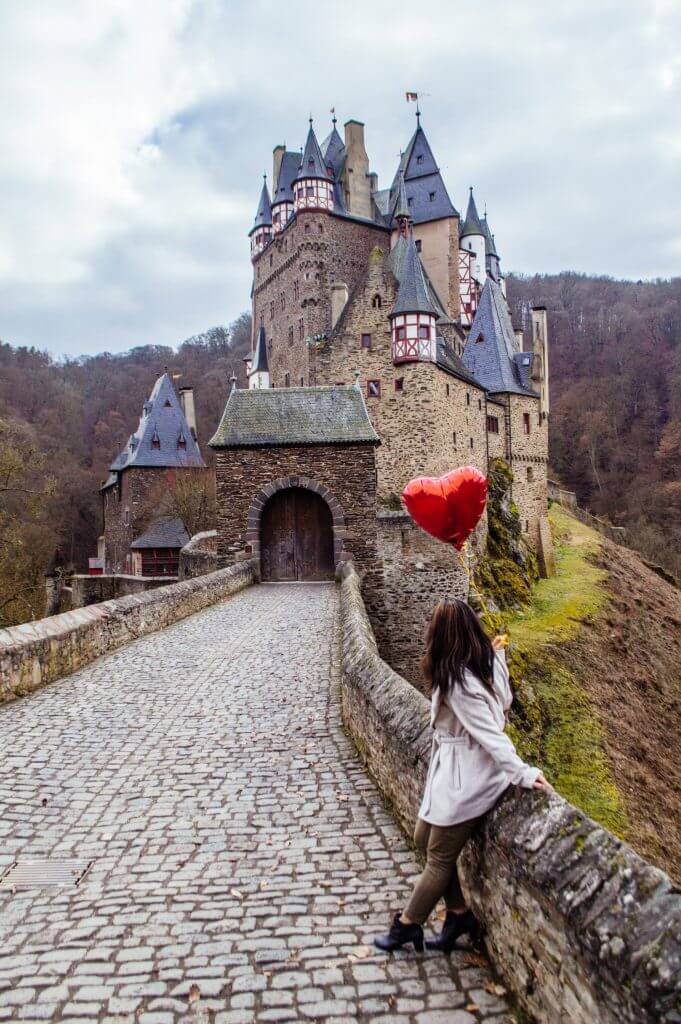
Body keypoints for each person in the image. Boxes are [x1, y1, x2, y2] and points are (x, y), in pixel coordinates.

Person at [374, 599, 553, 955]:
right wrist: (497, 656)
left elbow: (491, 732)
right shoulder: (469, 666)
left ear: (442, 635)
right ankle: (458, 915)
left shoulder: (459, 682)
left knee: (438, 857)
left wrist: (522, 772)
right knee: (423, 838)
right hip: (454, 767)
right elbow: (503, 701)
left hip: (471, 775)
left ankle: (408, 926)